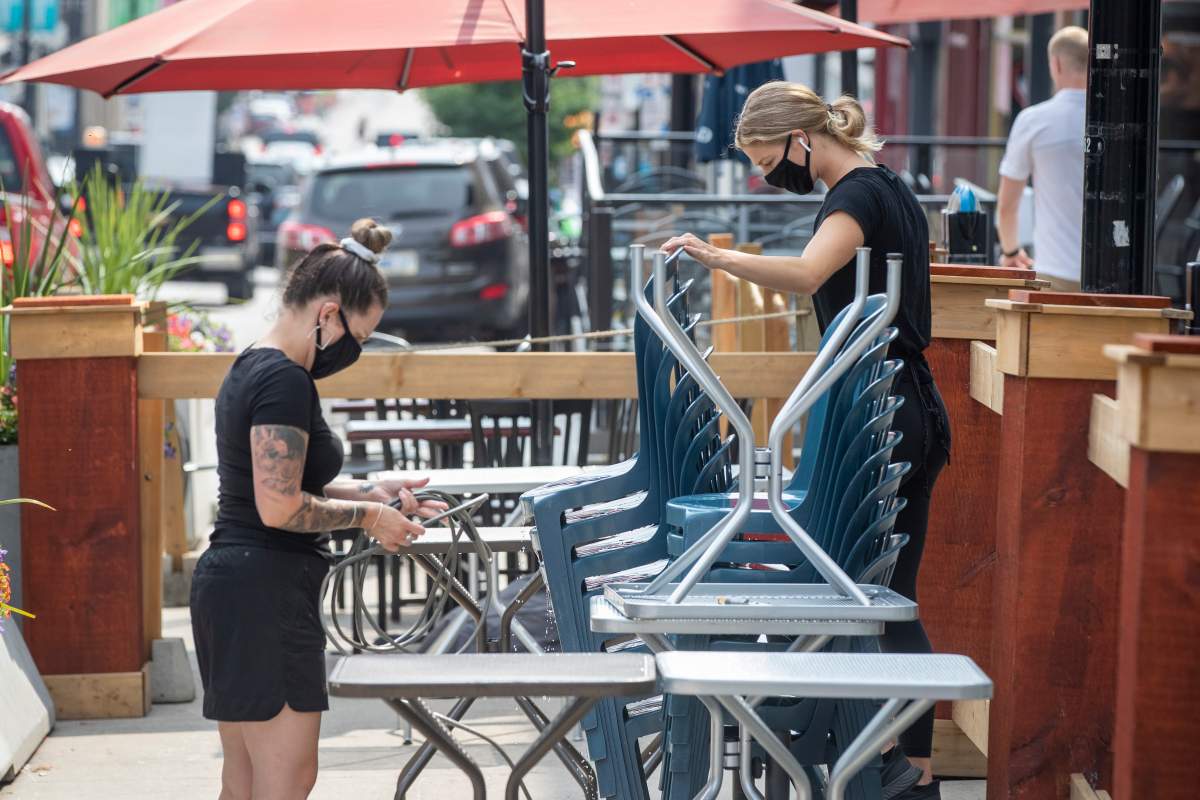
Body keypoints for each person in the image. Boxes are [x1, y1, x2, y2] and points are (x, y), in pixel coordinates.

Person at [662, 82, 951, 800]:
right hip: (897, 401)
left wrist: (716, 258)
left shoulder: (855, 194)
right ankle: (896, 756)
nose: (767, 177)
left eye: (767, 160)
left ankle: (909, 768)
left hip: (890, 407)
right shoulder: (887, 185)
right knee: (883, 590)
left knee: (883, 596)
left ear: (802, 139)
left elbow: (807, 273)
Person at [189, 218, 448, 800]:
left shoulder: (254, 363)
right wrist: (368, 520)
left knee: (247, 780)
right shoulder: (283, 380)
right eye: (362, 333)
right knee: (285, 781)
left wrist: (370, 496)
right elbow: (279, 507)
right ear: (328, 313)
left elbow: (277, 489)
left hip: (237, 585)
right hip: (264, 592)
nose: (357, 349)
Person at [997, 25, 1089, 290]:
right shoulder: (1116, 122)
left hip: (1054, 271)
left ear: (1056, 64)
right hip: (1113, 275)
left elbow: (1007, 205)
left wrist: (1012, 252)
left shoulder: (1033, 121)